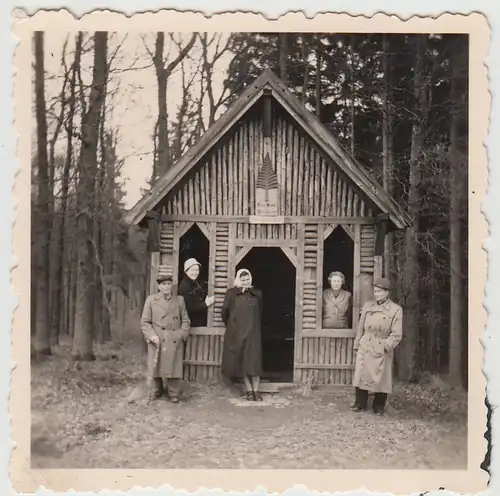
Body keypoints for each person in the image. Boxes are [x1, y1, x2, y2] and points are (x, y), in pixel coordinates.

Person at [351, 277, 403, 415]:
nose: (377, 294)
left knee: (382, 377)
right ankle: (359, 403)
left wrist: (385, 346)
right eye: (375, 291)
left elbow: (397, 334)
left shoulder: (395, 309)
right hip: (366, 342)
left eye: (380, 291)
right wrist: (358, 343)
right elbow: (360, 326)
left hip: (381, 344)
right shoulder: (368, 306)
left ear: (387, 292)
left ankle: (378, 406)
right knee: (361, 373)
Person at [141, 273, 191, 403]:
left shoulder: (179, 300)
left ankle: (173, 392)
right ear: (159, 286)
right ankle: (156, 390)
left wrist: (181, 334)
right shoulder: (151, 300)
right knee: (156, 366)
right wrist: (151, 335)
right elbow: (145, 322)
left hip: (173, 337)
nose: (166, 287)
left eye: (169, 284)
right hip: (157, 337)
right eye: (163, 284)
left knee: (173, 366)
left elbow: (186, 320)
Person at [221, 268, 264, 401]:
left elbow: (261, 311)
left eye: (247, 279)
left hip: (254, 333)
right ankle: (249, 391)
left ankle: (257, 391)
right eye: (243, 279)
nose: (245, 282)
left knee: (254, 363)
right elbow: (225, 312)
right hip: (238, 332)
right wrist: (233, 326)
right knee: (244, 363)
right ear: (238, 280)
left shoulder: (257, 293)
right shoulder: (232, 294)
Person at [177, 258, 215, 327]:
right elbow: (189, 308)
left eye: (197, 270)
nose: (195, 273)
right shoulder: (184, 286)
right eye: (192, 270)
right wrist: (206, 304)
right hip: (191, 324)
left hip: (197, 322)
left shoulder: (194, 283)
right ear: (186, 271)